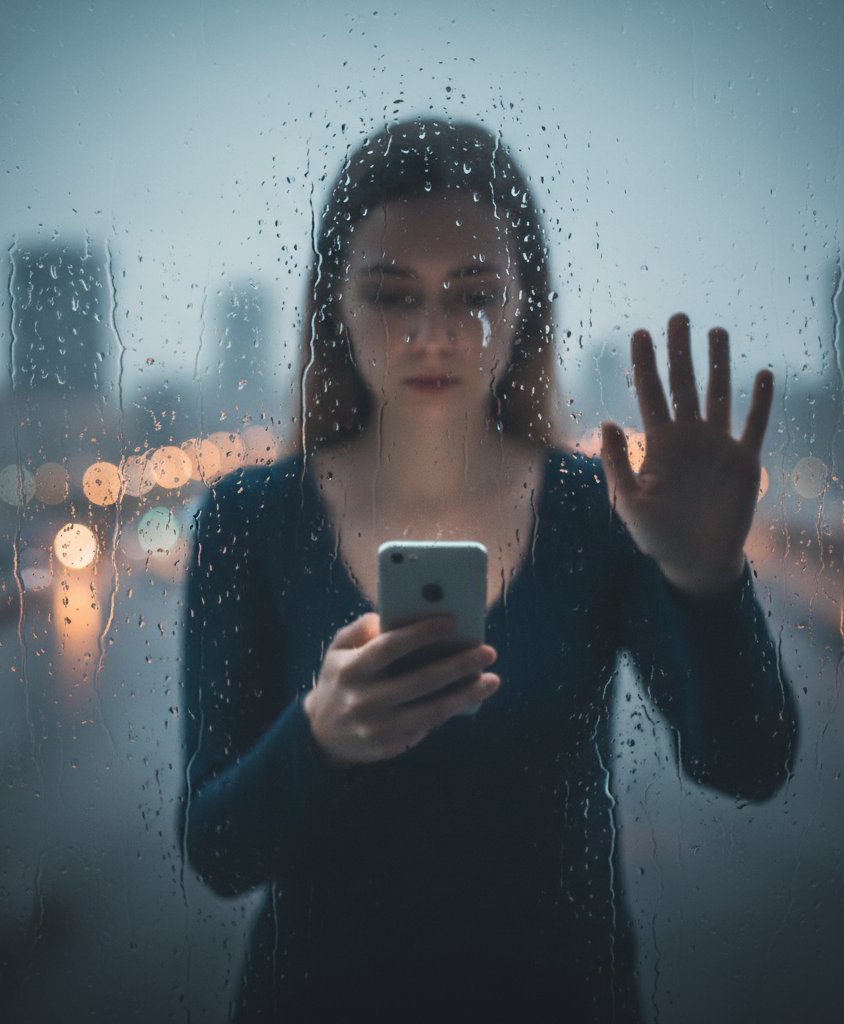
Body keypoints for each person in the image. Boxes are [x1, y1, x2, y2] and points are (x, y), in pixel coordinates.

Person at [178, 118, 798, 1023]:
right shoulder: (247, 518)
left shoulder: (600, 511)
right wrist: (320, 735)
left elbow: (747, 764)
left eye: (473, 293)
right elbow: (216, 850)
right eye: (392, 295)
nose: (434, 333)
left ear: (524, 307)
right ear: (334, 309)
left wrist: (709, 579)